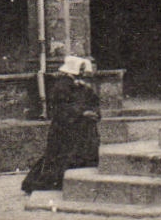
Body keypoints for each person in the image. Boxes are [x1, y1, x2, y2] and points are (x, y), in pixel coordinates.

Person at [22, 55, 101, 194]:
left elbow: (88, 102)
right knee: (61, 155)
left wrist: (92, 112)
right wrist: (82, 113)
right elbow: (61, 108)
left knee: (72, 154)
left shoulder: (78, 85)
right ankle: (48, 182)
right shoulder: (62, 86)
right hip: (64, 128)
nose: (83, 71)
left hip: (77, 127)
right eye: (81, 68)